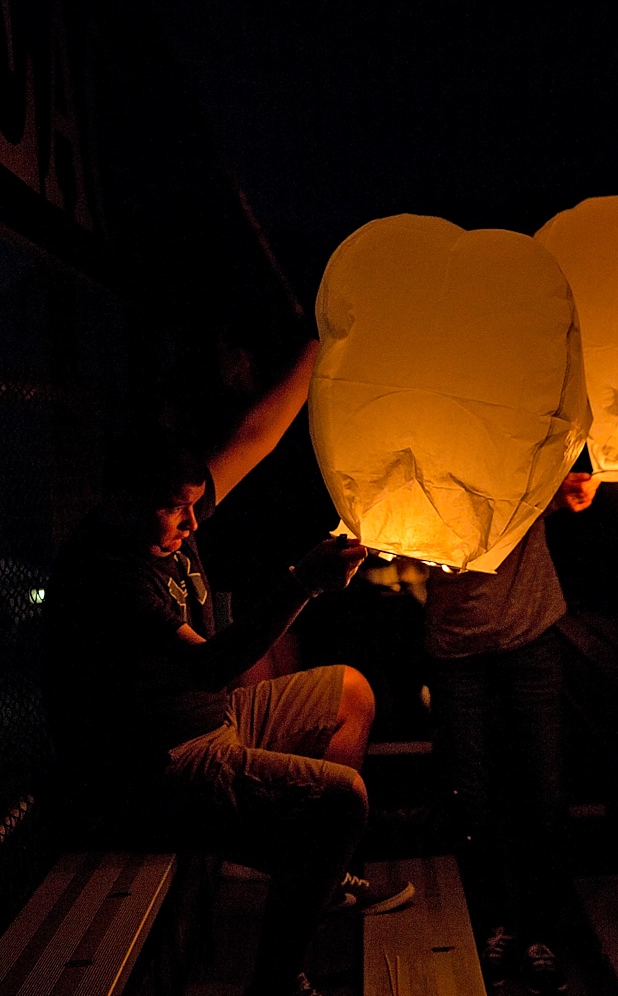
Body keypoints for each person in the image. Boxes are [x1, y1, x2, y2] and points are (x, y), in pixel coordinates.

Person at [45, 339, 412, 996]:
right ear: (124, 503)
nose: (193, 522)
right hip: (166, 762)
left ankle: (312, 875)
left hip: (215, 721)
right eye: (177, 509)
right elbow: (212, 666)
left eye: (195, 505)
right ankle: (275, 978)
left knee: (348, 691)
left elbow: (256, 433)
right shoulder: (109, 574)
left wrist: (327, 341)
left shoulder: (161, 511)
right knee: (342, 801)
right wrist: (305, 581)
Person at [422, 469, 600, 995]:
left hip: (530, 634)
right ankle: (497, 926)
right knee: (472, 798)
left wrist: (575, 487)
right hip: (456, 647)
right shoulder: (425, 466)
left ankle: (543, 932)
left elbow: (562, 487)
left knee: (543, 793)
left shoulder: (514, 452)